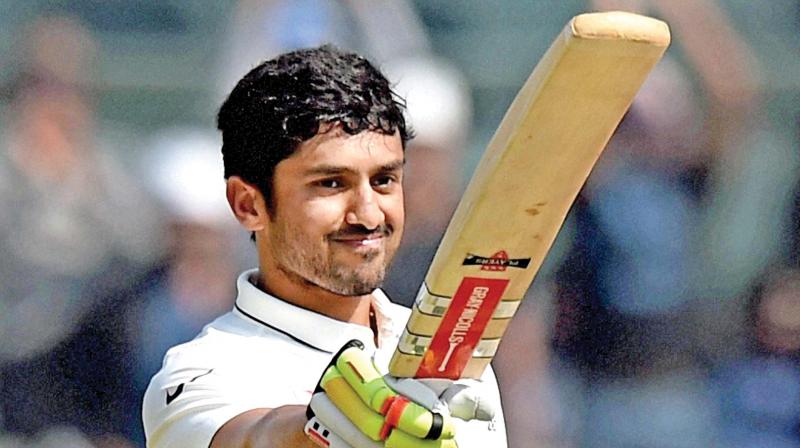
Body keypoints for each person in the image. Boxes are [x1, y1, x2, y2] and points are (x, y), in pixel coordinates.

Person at [143, 45, 507, 447]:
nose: (369, 214)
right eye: (331, 183)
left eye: (384, 180)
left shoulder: (455, 362)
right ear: (248, 205)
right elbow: (252, 438)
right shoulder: (200, 373)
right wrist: (321, 426)